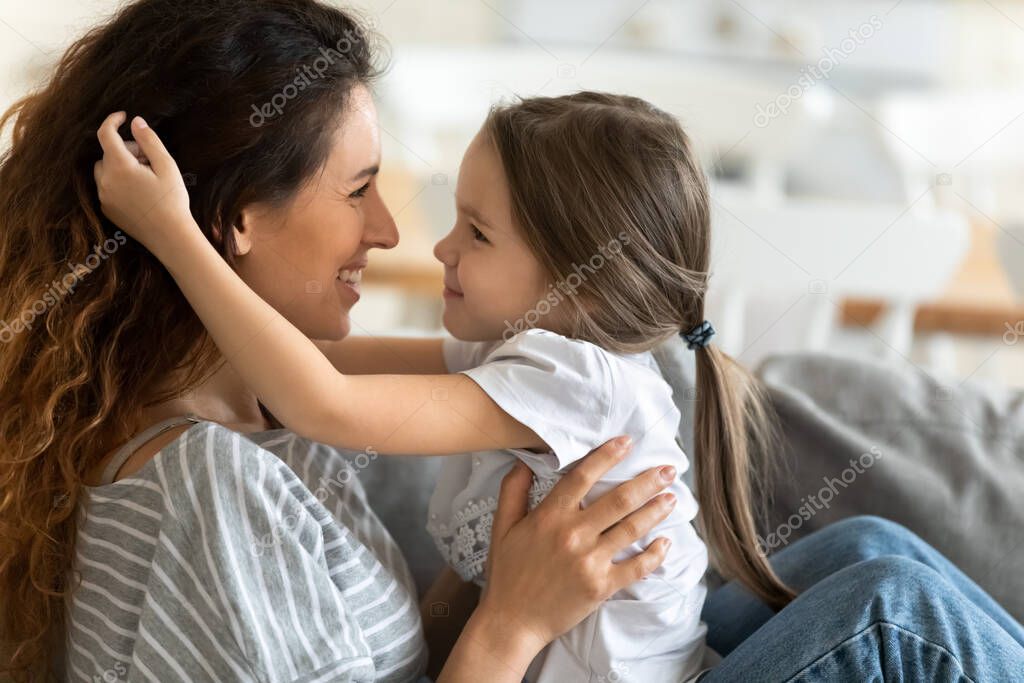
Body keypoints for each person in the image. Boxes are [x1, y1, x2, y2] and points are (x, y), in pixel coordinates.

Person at [94, 90, 789, 682]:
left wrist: (174, 234)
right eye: (359, 189)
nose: (434, 246)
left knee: (879, 579)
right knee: (871, 562)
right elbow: (326, 369)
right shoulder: (516, 354)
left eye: (478, 233)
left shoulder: (579, 380)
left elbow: (324, 402)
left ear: (588, 287)